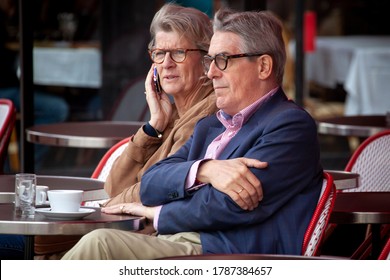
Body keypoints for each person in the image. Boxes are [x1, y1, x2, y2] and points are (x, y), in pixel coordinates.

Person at [62, 8, 323, 260]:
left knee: (100, 244)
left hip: (228, 254)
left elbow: (230, 204)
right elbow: (152, 182)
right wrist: (204, 170)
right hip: (177, 240)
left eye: (223, 60)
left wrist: (157, 212)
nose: (211, 72)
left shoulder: (290, 125)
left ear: (264, 66)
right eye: (211, 61)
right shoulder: (212, 126)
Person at [34, 3, 222, 259]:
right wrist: (153, 125)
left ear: (205, 60)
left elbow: (154, 189)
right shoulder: (172, 114)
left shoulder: (207, 115)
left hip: (172, 241)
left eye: (178, 52)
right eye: (158, 53)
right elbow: (114, 186)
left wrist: (106, 208)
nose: (166, 64)